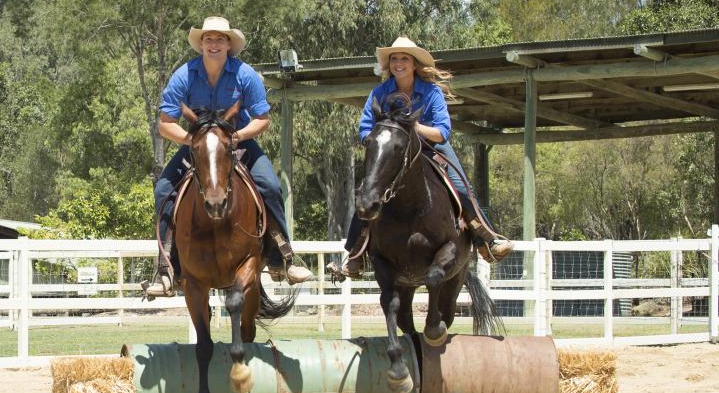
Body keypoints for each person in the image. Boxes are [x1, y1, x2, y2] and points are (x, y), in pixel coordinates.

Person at [146, 16, 313, 296]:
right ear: (201, 44)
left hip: (239, 143)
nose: (214, 44)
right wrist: (193, 141)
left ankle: (283, 257)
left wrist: (235, 138)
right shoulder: (183, 75)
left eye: (220, 39)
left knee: (271, 186)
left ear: (228, 44)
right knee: (163, 189)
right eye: (208, 39)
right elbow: (165, 123)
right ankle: (166, 269)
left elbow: (262, 119)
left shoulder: (245, 74)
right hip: (198, 148)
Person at [329, 37, 513, 278]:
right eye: (394, 59)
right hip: (392, 152)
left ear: (414, 64)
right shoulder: (379, 92)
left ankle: (486, 239)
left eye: (404, 58)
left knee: (461, 186)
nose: (398, 63)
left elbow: (442, 131)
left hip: (429, 148)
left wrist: (411, 129)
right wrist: (378, 140)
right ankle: (354, 255)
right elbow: (365, 128)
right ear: (389, 64)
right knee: (368, 190)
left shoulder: (431, 92)